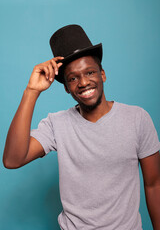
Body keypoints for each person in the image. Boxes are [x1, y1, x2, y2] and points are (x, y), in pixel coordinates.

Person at [3, 24, 160, 230]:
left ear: (102, 74)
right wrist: (31, 91)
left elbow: (154, 184)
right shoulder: (56, 124)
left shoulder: (137, 118)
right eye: (73, 78)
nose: (83, 82)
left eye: (90, 72)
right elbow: (12, 160)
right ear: (67, 88)